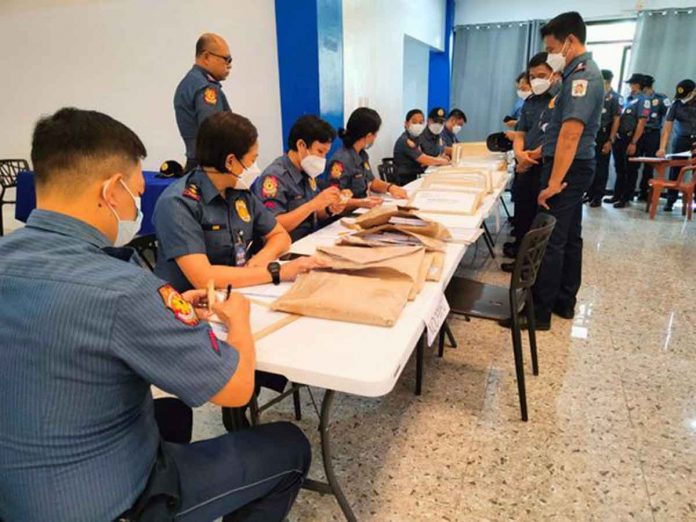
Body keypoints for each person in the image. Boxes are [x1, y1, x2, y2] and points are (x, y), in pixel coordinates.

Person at [0, 108, 310, 521]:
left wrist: (172, 315)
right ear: (112, 191)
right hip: (105, 501)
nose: (134, 208)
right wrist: (238, 322)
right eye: (135, 191)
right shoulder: (124, 287)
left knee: (168, 413)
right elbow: (236, 390)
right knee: (290, 447)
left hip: (19, 493)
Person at [506, 11, 603, 330]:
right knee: (570, 236)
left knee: (549, 240)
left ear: (570, 41)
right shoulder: (581, 73)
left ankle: (537, 313)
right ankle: (564, 300)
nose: (552, 56)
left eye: (553, 49)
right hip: (575, 166)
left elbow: (570, 133)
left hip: (568, 169)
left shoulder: (581, 77)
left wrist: (554, 181)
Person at [154, 112, 320, 292]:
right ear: (230, 162)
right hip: (192, 307)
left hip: (240, 290)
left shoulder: (239, 192)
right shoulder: (178, 203)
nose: (254, 168)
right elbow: (204, 279)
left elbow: (280, 236)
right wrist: (276, 271)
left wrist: (262, 258)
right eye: (252, 160)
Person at [502, 52, 558, 272]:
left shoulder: (560, 100)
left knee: (538, 218)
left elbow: (556, 138)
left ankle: (530, 266)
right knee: (523, 213)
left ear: (554, 74)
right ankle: (520, 260)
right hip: (525, 164)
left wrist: (529, 158)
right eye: (533, 77)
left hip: (543, 166)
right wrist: (519, 155)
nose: (536, 81)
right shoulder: (531, 102)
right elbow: (521, 132)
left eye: (541, 75)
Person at [252, 115, 346, 241]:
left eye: (326, 153)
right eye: (320, 151)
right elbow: (273, 226)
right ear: (301, 145)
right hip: (288, 249)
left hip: (311, 240)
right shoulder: (275, 177)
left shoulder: (307, 170)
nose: (323, 158)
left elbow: (315, 214)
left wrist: (329, 209)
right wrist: (312, 205)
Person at [324, 107, 408, 210]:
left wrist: (390, 187)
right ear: (368, 136)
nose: (375, 137)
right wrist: (361, 202)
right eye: (375, 134)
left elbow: (371, 181)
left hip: (362, 209)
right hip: (344, 216)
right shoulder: (340, 162)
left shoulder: (362, 155)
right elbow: (334, 198)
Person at [175, 33, 233, 172]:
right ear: (206, 57)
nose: (229, 65)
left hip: (197, 166)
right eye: (227, 59)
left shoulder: (189, 83)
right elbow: (214, 134)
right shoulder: (206, 88)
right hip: (209, 170)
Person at [604, 73, 647, 207]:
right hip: (620, 137)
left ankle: (626, 198)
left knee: (630, 169)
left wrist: (634, 142)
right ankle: (616, 195)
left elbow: (641, 122)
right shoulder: (628, 99)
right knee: (619, 168)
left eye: (632, 83)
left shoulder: (643, 100)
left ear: (638, 85)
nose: (630, 86)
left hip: (631, 137)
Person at [657, 79, 696, 211]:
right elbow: (667, 128)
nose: (683, 98)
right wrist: (662, 148)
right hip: (681, 140)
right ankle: (670, 200)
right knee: (675, 170)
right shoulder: (676, 104)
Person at [586, 69, 621, 207]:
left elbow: (616, 120)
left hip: (605, 135)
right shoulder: (595, 95)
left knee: (601, 167)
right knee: (590, 165)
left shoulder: (615, 98)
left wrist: (610, 140)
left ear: (607, 81)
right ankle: (589, 194)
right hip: (592, 134)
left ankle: (598, 196)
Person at [635, 74, 671, 201]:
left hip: (653, 133)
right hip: (639, 133)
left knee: (649, 165)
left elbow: (669, 115)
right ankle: (628, 192)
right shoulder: (637, 98)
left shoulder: (661, 98)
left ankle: (644, 192)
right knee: (633, 164)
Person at [393, 109, 449, 184]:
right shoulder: (406, 140)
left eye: (421, 123)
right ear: (406, 124)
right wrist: (443, 161)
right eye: (414, 122)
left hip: (417, 177)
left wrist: (435, 160)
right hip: (406, 181)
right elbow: (424, 159)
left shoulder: (416, 138)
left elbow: (424, 160)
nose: (418, 125)